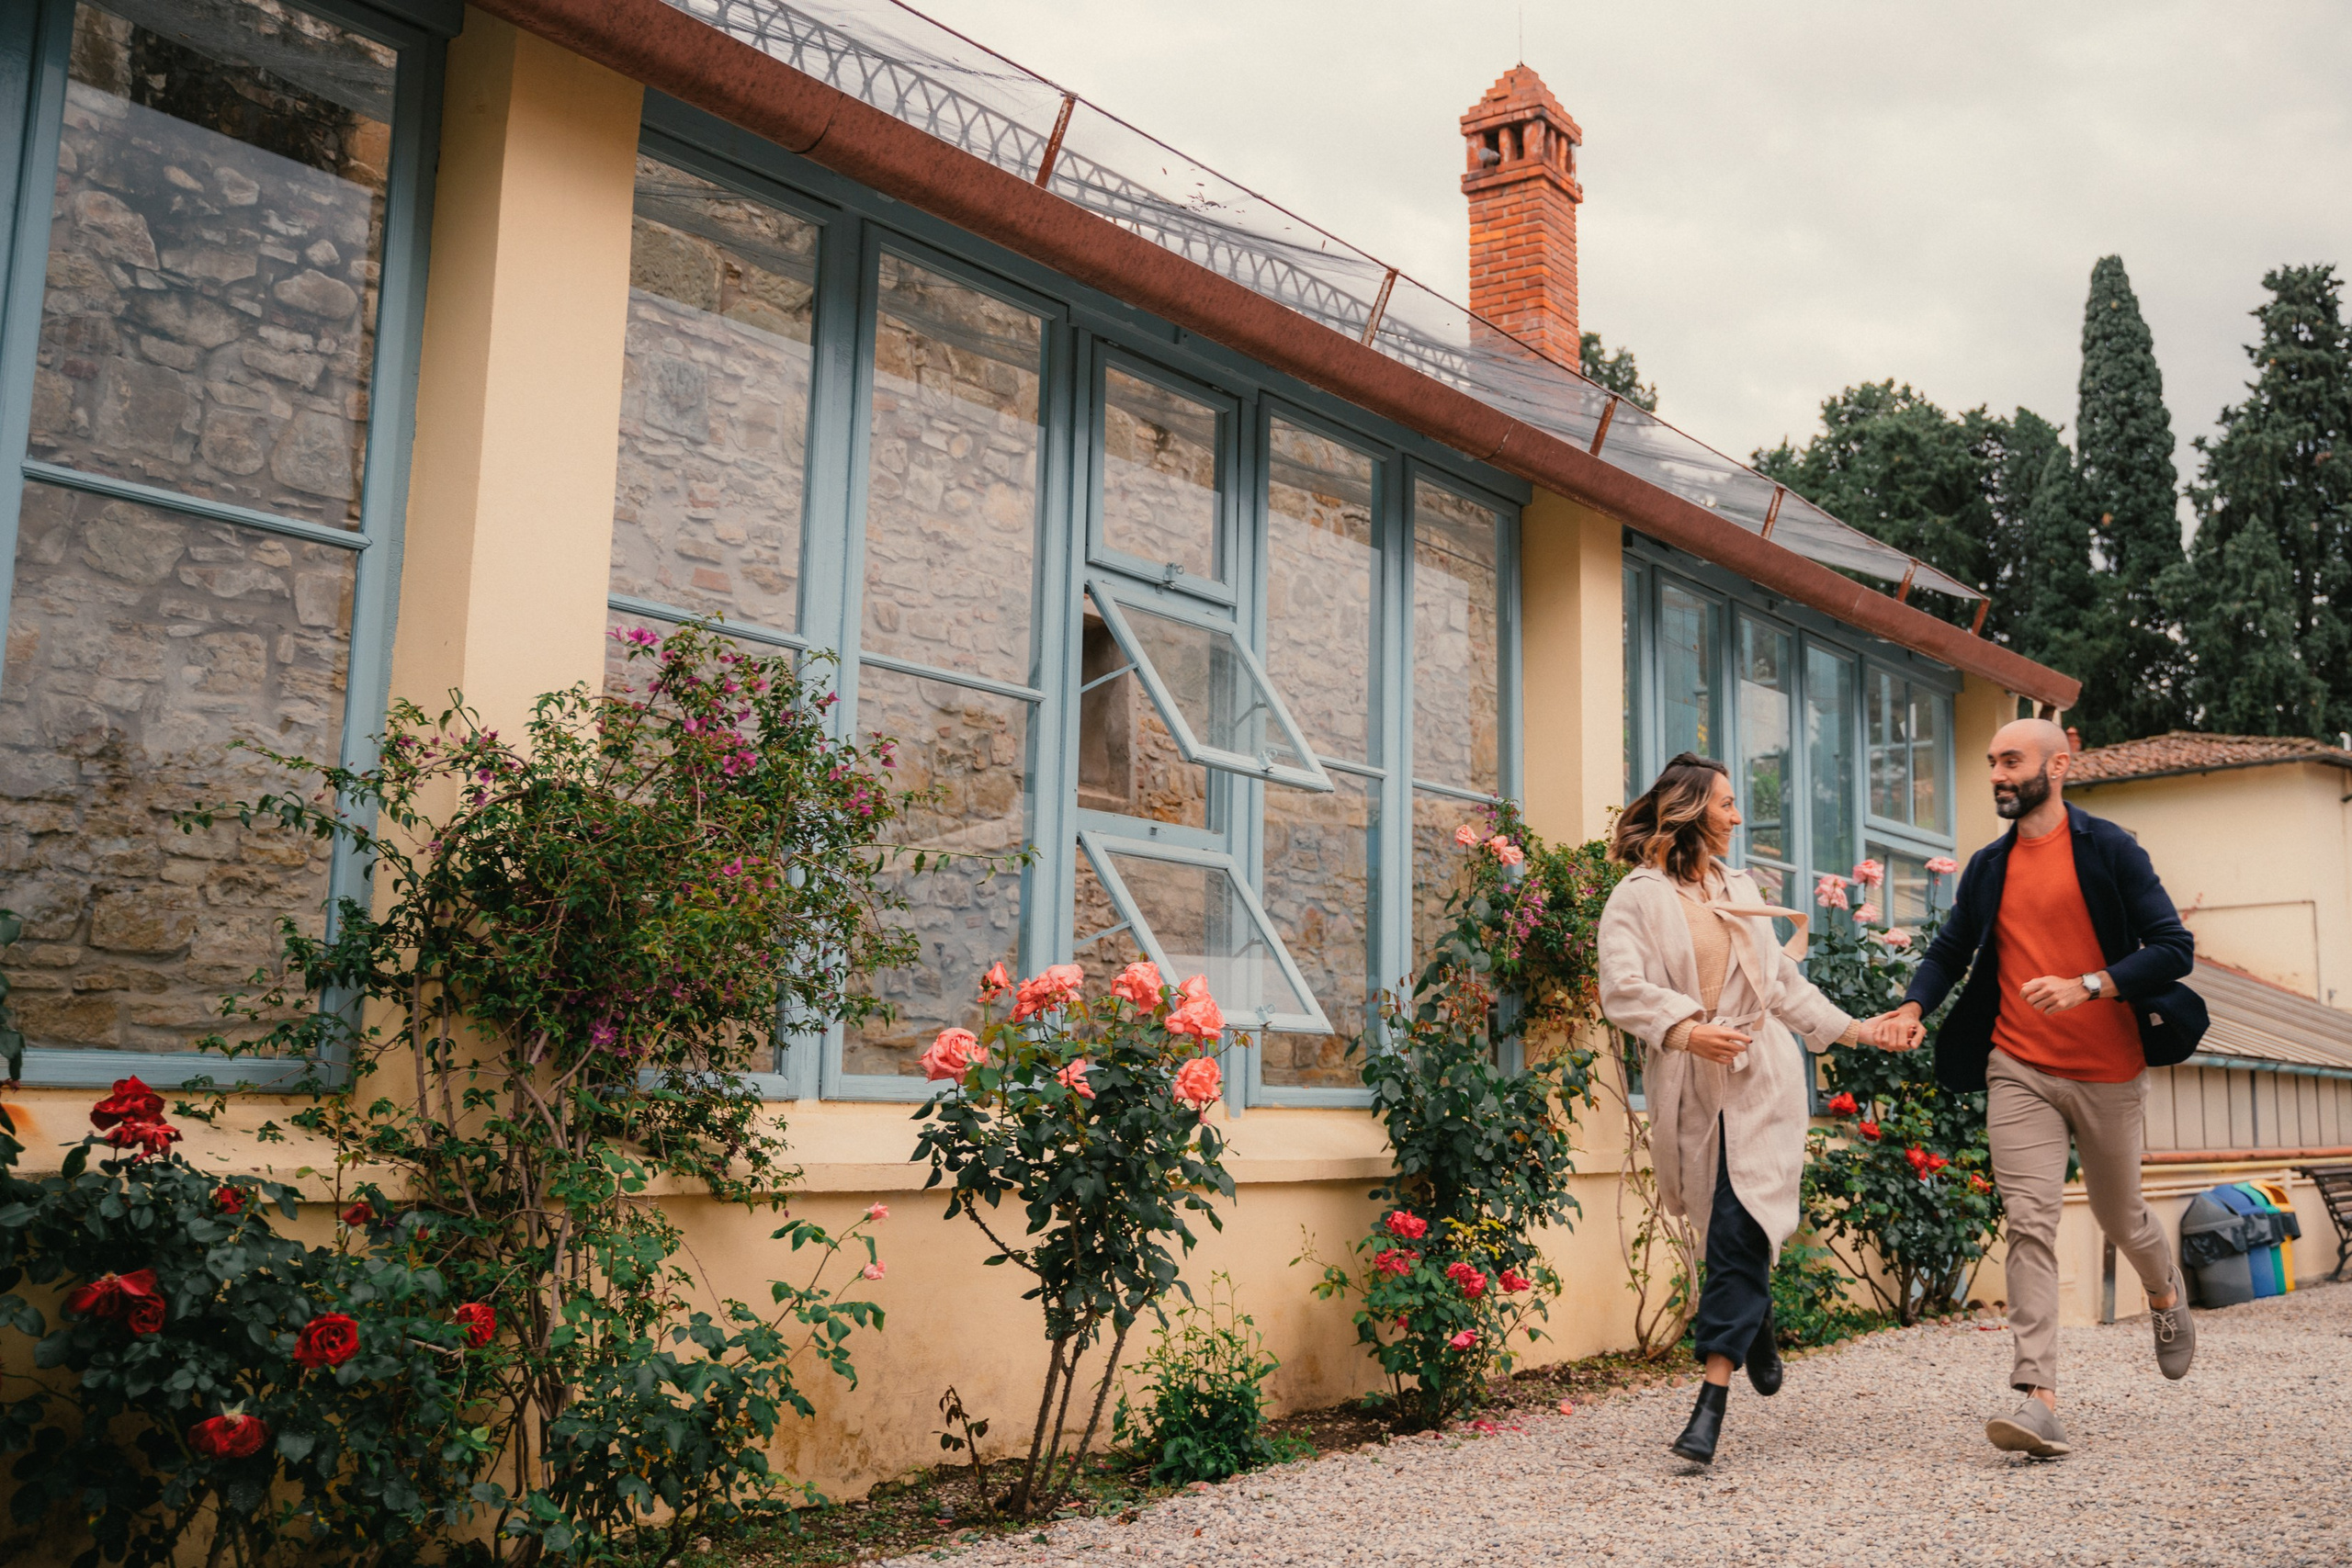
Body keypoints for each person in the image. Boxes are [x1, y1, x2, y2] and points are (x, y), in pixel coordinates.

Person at [1891, 717, 2208, 1459]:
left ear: (2058, 765)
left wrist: (2091, 985)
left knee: (2121, 1213)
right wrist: (1912, 1005)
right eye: (1993, 761)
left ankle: (2165, 1294)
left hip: (2108, 1070)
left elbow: (2174, 946)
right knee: (2029, 1220)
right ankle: (2039, 1399)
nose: (1998, 773)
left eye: (2012, 760)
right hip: (2019, 1064)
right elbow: (1950, 947)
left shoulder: (2111, 850)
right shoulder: (1990, 865)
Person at [1599, 752, 1919, 1465]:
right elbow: (1621, 989)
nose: (1738, 817)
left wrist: (1865, 1029)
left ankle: (1708, 1406)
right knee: (1723, 1230)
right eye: (1727, 803)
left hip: (1764, 1080)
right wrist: (1685, 1028)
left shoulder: (1739, 887)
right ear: (1689, 807)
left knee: (1742, 1225)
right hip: (1693, 1084)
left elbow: (1783, 988)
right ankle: (1758, 1320)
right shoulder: (1638, 897)